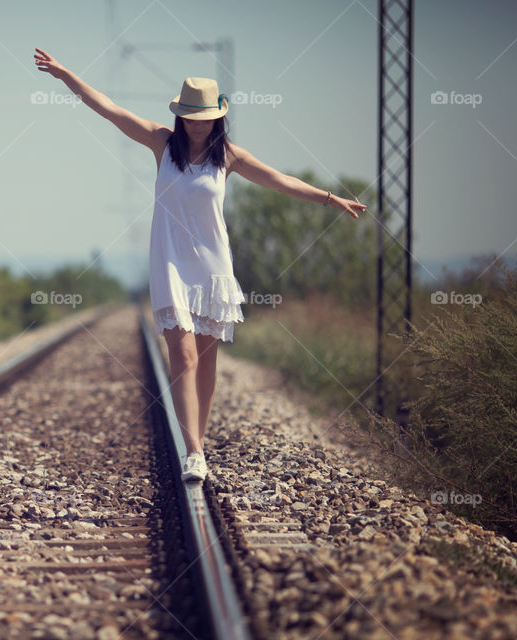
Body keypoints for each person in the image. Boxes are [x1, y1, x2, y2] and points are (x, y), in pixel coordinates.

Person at [34, 47, 366, 482]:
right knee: (184, 354)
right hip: (170, 261)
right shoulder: (161, 142)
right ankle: (193, 452)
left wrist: (329, 197)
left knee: (207, 360)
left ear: (216, 116)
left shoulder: (228, 155)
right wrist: (65, 75)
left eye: (204, 115)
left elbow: (279, 180)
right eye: (190, 115)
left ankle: (199, 443)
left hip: (212, 265)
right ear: (180, 115)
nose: (196, 122)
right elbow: (109, 109)